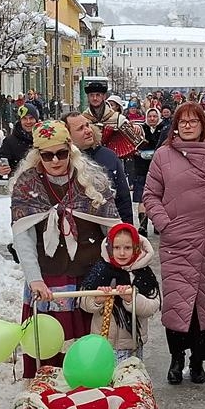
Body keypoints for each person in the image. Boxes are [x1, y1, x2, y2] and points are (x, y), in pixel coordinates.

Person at [9, 121, 121, 377]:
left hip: (89, 275)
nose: (55, 160)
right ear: (38, 154)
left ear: (71, 150)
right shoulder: (27, 186)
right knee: (49, 347)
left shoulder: (91, 181)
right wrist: (34, 279)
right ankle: (46, 393)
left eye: (62, 153)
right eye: (48, 155)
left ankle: (88, 389)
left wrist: (120, 267)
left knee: (87, 346)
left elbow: (112, 230)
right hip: (49, 278)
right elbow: (23, 238)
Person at [143, 101, 205, 384]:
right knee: (177, 302)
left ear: (203, 124)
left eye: (194, 121)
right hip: (176, 241)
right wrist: (164, 223)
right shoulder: (163, 155)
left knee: (204, 302)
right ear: (176, 126)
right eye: (183, 122)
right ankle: (176, 358)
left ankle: (198, 359)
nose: (188, 126)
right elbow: (150, 195)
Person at [79, 223, 161, 362]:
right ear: (110, 249)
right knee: (104, 380)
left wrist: (131, 299)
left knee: (128, 378)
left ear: (136, 248)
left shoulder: (143, 273)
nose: (122, 253)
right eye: (117, 248)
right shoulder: (101, 270)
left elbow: (152, 306)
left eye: (127, 248)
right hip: (102, 342)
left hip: (131, 344)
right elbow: (83, 301)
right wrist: (97, 300)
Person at [64, 110, 135, 223]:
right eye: (80, 129)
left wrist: (127, 228)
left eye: (87, 125)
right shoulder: (62, 161)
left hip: (109, 224)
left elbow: (123, 198)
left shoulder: (108, 156)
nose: (87, 131)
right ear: (67, 136)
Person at [0, 102, 40, 178]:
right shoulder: (11, 141)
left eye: (31, 118)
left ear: (36, 120)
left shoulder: (43, 138)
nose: (28, 121)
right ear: (20, 121)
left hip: (44, 184)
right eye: (24, 118)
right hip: (19, 185)